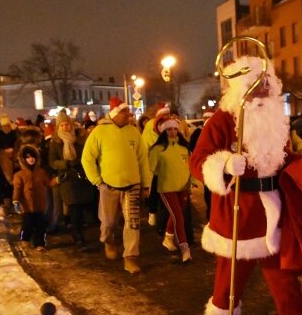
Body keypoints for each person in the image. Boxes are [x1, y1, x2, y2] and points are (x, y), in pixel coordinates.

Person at [189, 56, 302, 315]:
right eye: (258, 84)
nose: (264, 90)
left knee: (285, 281)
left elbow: (285, 158)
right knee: (230, 281)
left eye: (268, 82)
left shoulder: (275, 120)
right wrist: (225, 165)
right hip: (238, 213)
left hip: (273, 211)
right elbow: (198, 161)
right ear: (243, 87)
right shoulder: (222, 121)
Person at [81, 97, 151, 274]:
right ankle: (108, 240)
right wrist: (97, 180)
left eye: (128, 111)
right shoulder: (99, 132)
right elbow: (87, 158)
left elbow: (143, 159)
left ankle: (130, 257)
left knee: (133, 222)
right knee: (109, 222)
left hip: (132, 185)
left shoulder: (133, 132)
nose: (128, 114)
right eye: (124, 111)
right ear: (114, 113)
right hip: (109, 185)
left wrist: (146, 185)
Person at [47, 112, 96, 249]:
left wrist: (79, 162)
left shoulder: (79, 139)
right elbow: (52, 162)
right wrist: (65, 164)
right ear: (58, 127)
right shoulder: (55, 142)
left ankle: (79, 231)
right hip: (67, 178)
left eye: (66, 124)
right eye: (61, 125)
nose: (64, 127)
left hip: (80, 177)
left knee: (81, 208)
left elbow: (87, 154)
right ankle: (78, 236)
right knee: (74, 208)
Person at [149, 115, 193, 263]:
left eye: (175, 129)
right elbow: (152, 169)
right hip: (167, 188)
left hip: (183, 187)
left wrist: (192, 181)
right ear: (163, 131)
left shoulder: (184, 147)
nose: (173, 132)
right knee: (178, 217)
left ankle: (168, 238)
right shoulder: (158, 149)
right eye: (169, 129)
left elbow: (190, 166)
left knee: (176, 215)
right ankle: (185, 249)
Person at [12, 144, 58, 251]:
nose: (31, 159)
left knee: (40, 224)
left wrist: (57, 180)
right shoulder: (19, 175)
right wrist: (16, 200)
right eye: (27, 157)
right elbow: (17, 189)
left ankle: (40, 243)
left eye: (32, 156)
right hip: (26, 205)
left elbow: (48, 183)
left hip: (39, 204)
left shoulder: (41, 172)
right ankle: (25, 239)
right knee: (27, 223)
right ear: (23, 159)